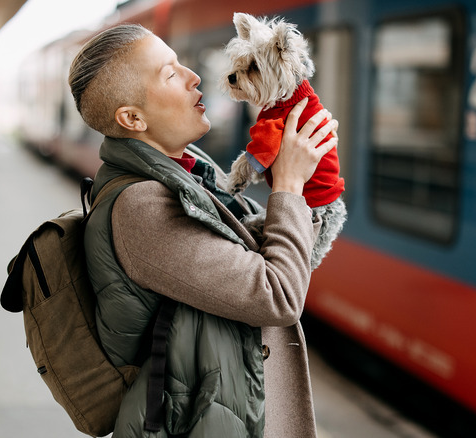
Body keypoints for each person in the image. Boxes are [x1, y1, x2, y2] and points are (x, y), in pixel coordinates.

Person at [68, 23, 338, 437]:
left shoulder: (192, 172)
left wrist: (305, 181)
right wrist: (289, 186)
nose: (194, 76)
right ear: (132, 118)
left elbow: (273, 253)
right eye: (171, 74)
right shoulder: (141, 208)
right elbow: (277, 295)